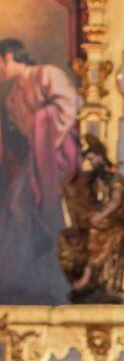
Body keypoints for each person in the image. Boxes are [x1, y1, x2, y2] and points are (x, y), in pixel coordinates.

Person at [0, 37, 80, 303]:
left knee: (53, 203)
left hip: (56, 153)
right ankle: (22, 276)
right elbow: (20, 134)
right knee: (16, 203)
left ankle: (55, 274)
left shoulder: (47, 73)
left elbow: (69, 106)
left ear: (9, 58)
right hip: (35, 159)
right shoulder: (13, 96)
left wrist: (42, 124)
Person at [59, 134, 124, 303]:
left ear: (100, 156)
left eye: (93, 158)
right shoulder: (94, 179)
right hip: (96, 221)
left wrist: (100, 215)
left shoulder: (115, 179)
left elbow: (115, 201)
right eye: (89, 160)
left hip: (113, 222)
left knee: (102, 243)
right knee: (79, 240)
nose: (92, 162)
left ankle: (103, 282)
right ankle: (88, 279)